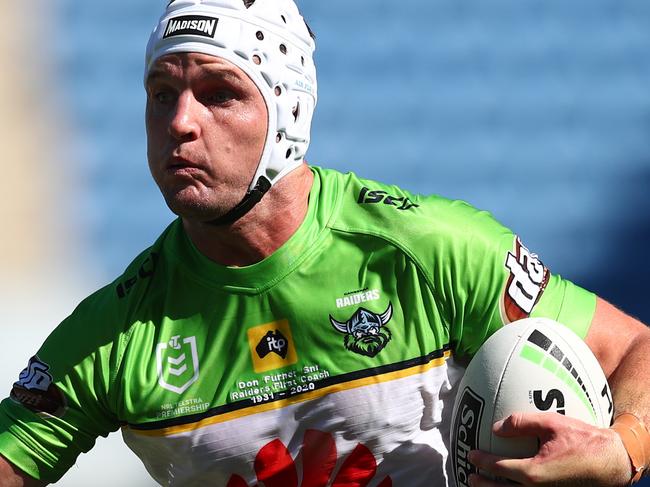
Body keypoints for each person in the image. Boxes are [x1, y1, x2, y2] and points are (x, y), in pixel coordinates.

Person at [1, 0, 649, 485]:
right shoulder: (116, 329)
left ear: (288, 116)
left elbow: (637, 350)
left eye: (219, 94)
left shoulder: (426, 249)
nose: (180, 122)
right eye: (162, 93)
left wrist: (621, 450)